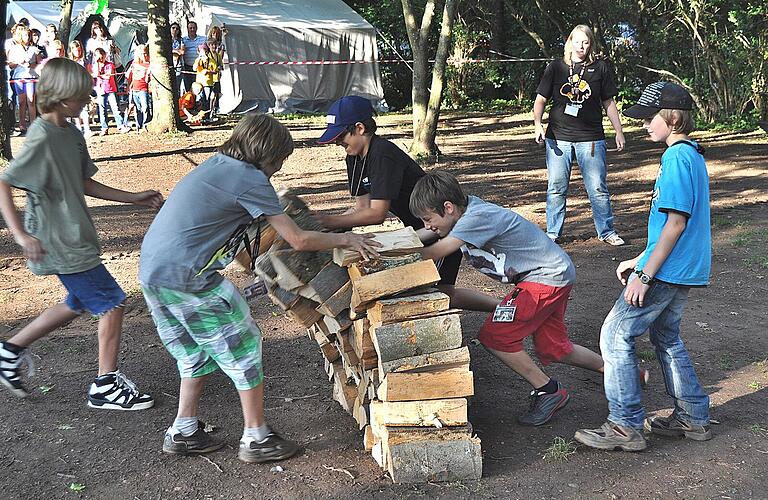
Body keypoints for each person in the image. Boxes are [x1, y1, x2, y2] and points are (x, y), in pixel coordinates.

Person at [138, 113, 379, 463]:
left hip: (154, 272)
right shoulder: (249, 178)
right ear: (265, 152)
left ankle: (183, 430)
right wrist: (347, 237)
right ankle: (256, 437)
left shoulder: (218, 166)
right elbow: (296, 239)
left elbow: (242, 235)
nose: (279, 168)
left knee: (195, 352)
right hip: (188, 276)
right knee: (244, 343)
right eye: (279, 160)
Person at [409, 171, 649, 426]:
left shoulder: (476, 218)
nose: (427, 226)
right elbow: (424, 236)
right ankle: (627, 374)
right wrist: (386, 244)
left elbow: (438, 249)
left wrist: (400, 259)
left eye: (428, 219)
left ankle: (549, 390)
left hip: (544, 279)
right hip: (551, 275)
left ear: (448, 208)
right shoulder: (461, 214)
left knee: (495, 336)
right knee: (555, 348)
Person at [0, 58, 163, 409]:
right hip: (58, 240)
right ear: (60, 98)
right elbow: (4, 182)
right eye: (81, 95)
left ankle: (8, 349)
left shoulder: (71, 134)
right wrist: (21, 236)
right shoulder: (40, 137)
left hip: (78, 236)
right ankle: (105, 384)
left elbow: (83, 182)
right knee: (112, 303)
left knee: (78, 302)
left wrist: (132, 197)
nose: (89, 99)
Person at [574, 82, 712, 451]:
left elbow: (677, 223)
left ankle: (625, 425)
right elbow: (674, 222)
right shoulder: (692, 155)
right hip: (679, 267)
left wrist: (645, 275)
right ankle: (693, 417)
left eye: (650, 117)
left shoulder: (677, 159)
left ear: (672, 118)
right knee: (666, 337)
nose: (645, 124)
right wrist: (639, 258)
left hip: (666, 271)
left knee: (614, 334)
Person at [316, 95, 499, 313]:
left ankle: (506, 309)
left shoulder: (382, 154)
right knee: (435, 293)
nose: (337, 142)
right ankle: (505, 309)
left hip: (438, 229)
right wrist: (329, 230)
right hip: (417, 232)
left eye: (341, 136)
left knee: (441, 293)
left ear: (360, 128)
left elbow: (376, 214)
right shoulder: (354, 158)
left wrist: (326, 220)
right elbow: (361, 208)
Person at [533, 25, 626, 246]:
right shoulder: (556, 67)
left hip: (591, 137)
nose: (581, 46)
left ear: (590, 44)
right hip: (558, 137)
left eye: (585, 42)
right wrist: (537, 124)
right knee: (556, 187)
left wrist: (619, 131)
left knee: (597, 187)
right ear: (569, 42)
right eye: (577, 42)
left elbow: (609, 102)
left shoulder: (600, 68)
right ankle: (553, 233)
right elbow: (540, 99)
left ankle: (607, 231)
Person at [7, 23, 41, 135]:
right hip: (18, 77)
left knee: (31, 100)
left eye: (29, 35)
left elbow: (40, 63)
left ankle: (33, 124)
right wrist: (18, 63)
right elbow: (10, 64)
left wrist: (31, 65)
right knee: (21, 101)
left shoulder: (34, 49)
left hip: (31, 77)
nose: (27, 37)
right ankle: (22, 125)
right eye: (25, 35)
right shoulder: (14, 48)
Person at [90, 47, 130, 135]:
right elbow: (96, 74)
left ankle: (121, 126)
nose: (101, 59)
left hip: (111, 89)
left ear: (105, 56)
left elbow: (108, 75)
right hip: (101, 89)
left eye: (102, 57)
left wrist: (99, 75)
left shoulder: (110, 64)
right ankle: (104, 127)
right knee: (102, 108)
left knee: (115, 108)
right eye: (99, 57)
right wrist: (97, 65)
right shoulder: (95, 65)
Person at [68, 40, 92, 137]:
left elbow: (89, 72)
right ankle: (78, 128)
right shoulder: (69, 62)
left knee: (84, 109)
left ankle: (87, 128)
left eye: (79, 50)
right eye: (75, 50)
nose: (77, 52)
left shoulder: (85, 62)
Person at [125, 44, 151, 131]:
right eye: (141, 53)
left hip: (144, 89)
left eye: (145, 53)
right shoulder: (134, 64)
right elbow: (130, 76)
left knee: (145, 107)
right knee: (137, 108)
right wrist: (129, 86)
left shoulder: (148, 64)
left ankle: (145, 124)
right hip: (134, 89)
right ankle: (139, 125)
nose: (143, 55)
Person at [181, 21, 206, 93]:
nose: (192, 29)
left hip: (199, 67)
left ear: (196, 29)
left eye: (194, 28)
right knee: (188, 88)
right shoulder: (183, 40)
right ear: (187, 29)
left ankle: (198, 103)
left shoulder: (203, 39)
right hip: (187, 67)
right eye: (190, 28)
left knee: (199, 88)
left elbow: (212, 41)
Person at [170, 22, 185, 89]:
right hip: (169, 64)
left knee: (177, 86)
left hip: (178, 65)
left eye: (177, 29)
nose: (175, 30)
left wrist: (172, 50)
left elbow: (182, 51)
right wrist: (176, 51)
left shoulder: (181, 40)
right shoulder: (166, 40)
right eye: (173, 28)